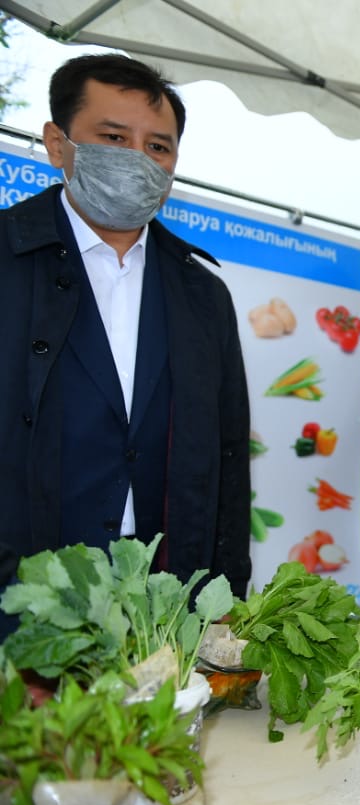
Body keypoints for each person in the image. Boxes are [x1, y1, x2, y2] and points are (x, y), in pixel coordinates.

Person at [0, 54, 252, 636]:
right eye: (114, 137)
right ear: (58, 144)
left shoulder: (201, 294)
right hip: (21, 593)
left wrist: (224, 600)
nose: (138, 158)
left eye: (157, 146)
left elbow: (228, 459)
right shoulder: (8, 262)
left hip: (161, 602)